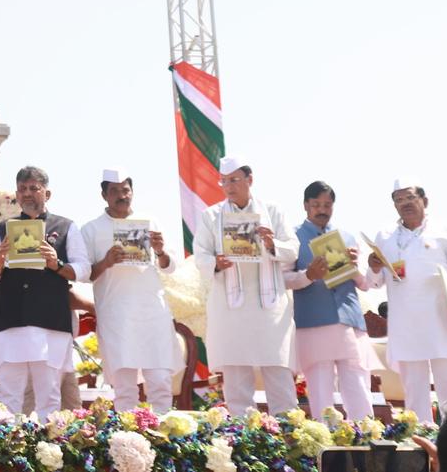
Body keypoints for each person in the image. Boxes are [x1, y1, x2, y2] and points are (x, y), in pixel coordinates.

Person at [0, 166, 90, 418]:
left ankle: (48, 454)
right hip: (12, 321)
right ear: (17, 195)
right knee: (8, 397)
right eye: (22, 189)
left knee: (49, 397)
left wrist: (57, 264)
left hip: (50, 322)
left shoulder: (65, 227)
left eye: (33, 188)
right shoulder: (3, 229)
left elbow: (84, 269)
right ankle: (9, 454)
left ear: (47, 193)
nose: (27, 194)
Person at [193, 156, 298, 414]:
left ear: (250, 180)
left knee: (279, 377)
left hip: (269, 308)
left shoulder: (272, 211)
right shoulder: (211, 216)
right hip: (231, 308)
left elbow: (293, 250)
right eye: (224, 181)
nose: (229, 186)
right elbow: (200, 256)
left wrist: (272, 243)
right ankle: (244, 440)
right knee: (237, 383)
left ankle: (289, 438)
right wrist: (216, 263)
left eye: (235, 180)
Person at [81, 168, 181, 412]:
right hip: (117, 316)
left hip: (152, 313)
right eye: (114, 191)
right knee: (124, 389)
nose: (121, 196)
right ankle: (127, 444)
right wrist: (105, 262)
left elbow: (170, 267)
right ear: (104, 195)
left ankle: (165, 440)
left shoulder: (150, 222)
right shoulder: (90, 229)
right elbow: (84, 275)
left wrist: (159, 251)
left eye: (125, 190)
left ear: (132, 192)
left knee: (159, 383)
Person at [282, 181, 375, 420]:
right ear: (306, 206)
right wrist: (309, 276)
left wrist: (356, 266)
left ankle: (365, 443)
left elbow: (364, 283)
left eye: (327, 204)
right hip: (314, 323)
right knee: (321, 393)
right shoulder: (292, 238)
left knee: (358, 387)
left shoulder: (346, 236)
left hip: (349, 320)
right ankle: (326, 449)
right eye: (316, 205)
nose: (322, 209)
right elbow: (283, 279)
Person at [367, 177, 447, 421]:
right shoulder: (384, 235)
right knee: (415, 393)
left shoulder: (446, 232)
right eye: (399, 199)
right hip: (406, 326)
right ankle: (421, 445)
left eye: (410, 198)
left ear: (424, 201)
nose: (405, 203)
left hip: (442, 323)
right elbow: (373, 282)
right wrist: (373, 266)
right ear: (394, 205)